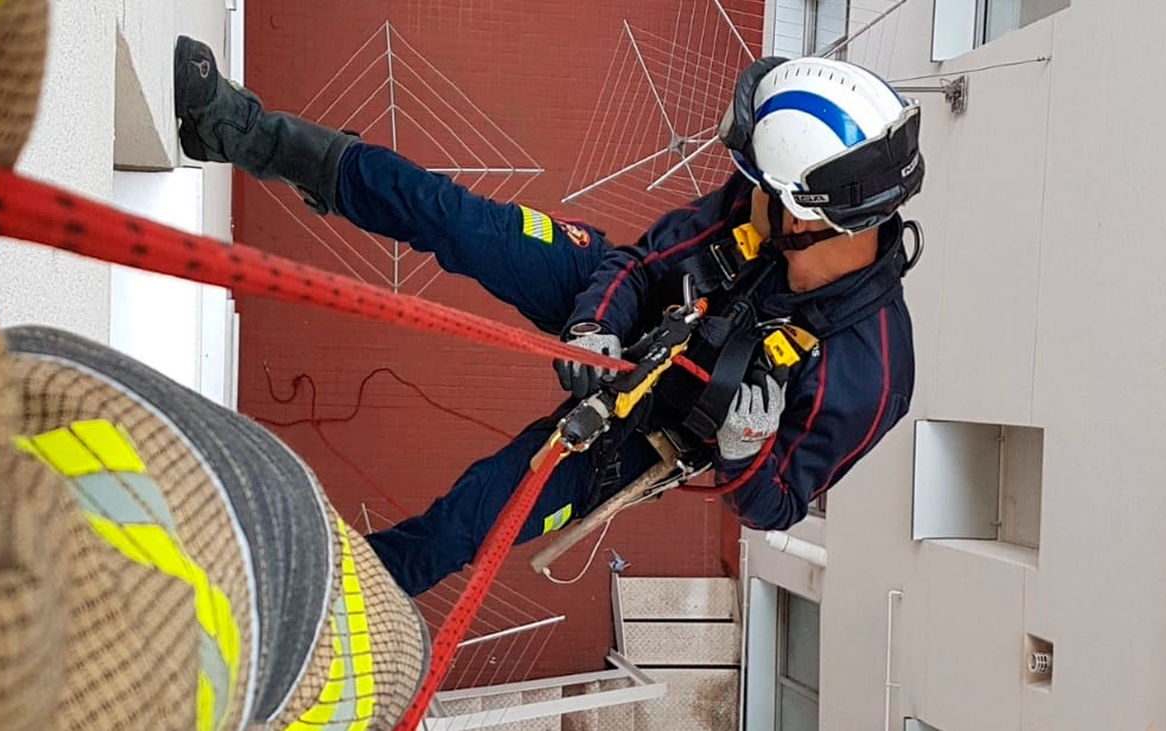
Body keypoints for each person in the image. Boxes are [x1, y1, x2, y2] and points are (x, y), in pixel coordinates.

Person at [174, 37, 924, 596]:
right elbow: (641, 264)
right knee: (452, 218)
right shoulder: (758, 205)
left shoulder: (869, 376)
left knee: (465, 524)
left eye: (762, 190)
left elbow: (775, 505)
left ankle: (286, 606)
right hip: (620, 311)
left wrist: (746, 450)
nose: (743, 193)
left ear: (810, 217)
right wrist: (595, 322)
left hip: (641, 441)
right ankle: (232, 128)